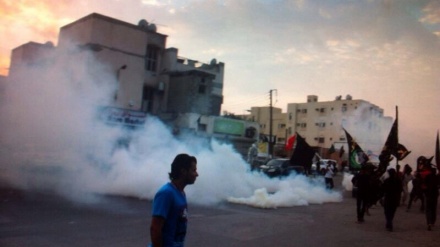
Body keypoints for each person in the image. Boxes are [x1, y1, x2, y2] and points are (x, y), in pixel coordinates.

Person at [149, 154, 199, 247]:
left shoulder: (181, 193)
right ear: (183, 171)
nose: (197, 174)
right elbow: (155, 228)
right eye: (194, 170)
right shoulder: (166, 193)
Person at [419, 161, 439, 231]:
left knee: (428, 209)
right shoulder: (437, 178)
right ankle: (433, 222)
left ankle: (429, 223)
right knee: (433, 208)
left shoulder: (427, 177)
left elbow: (424, 185)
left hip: (428, 194)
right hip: (435, 194)